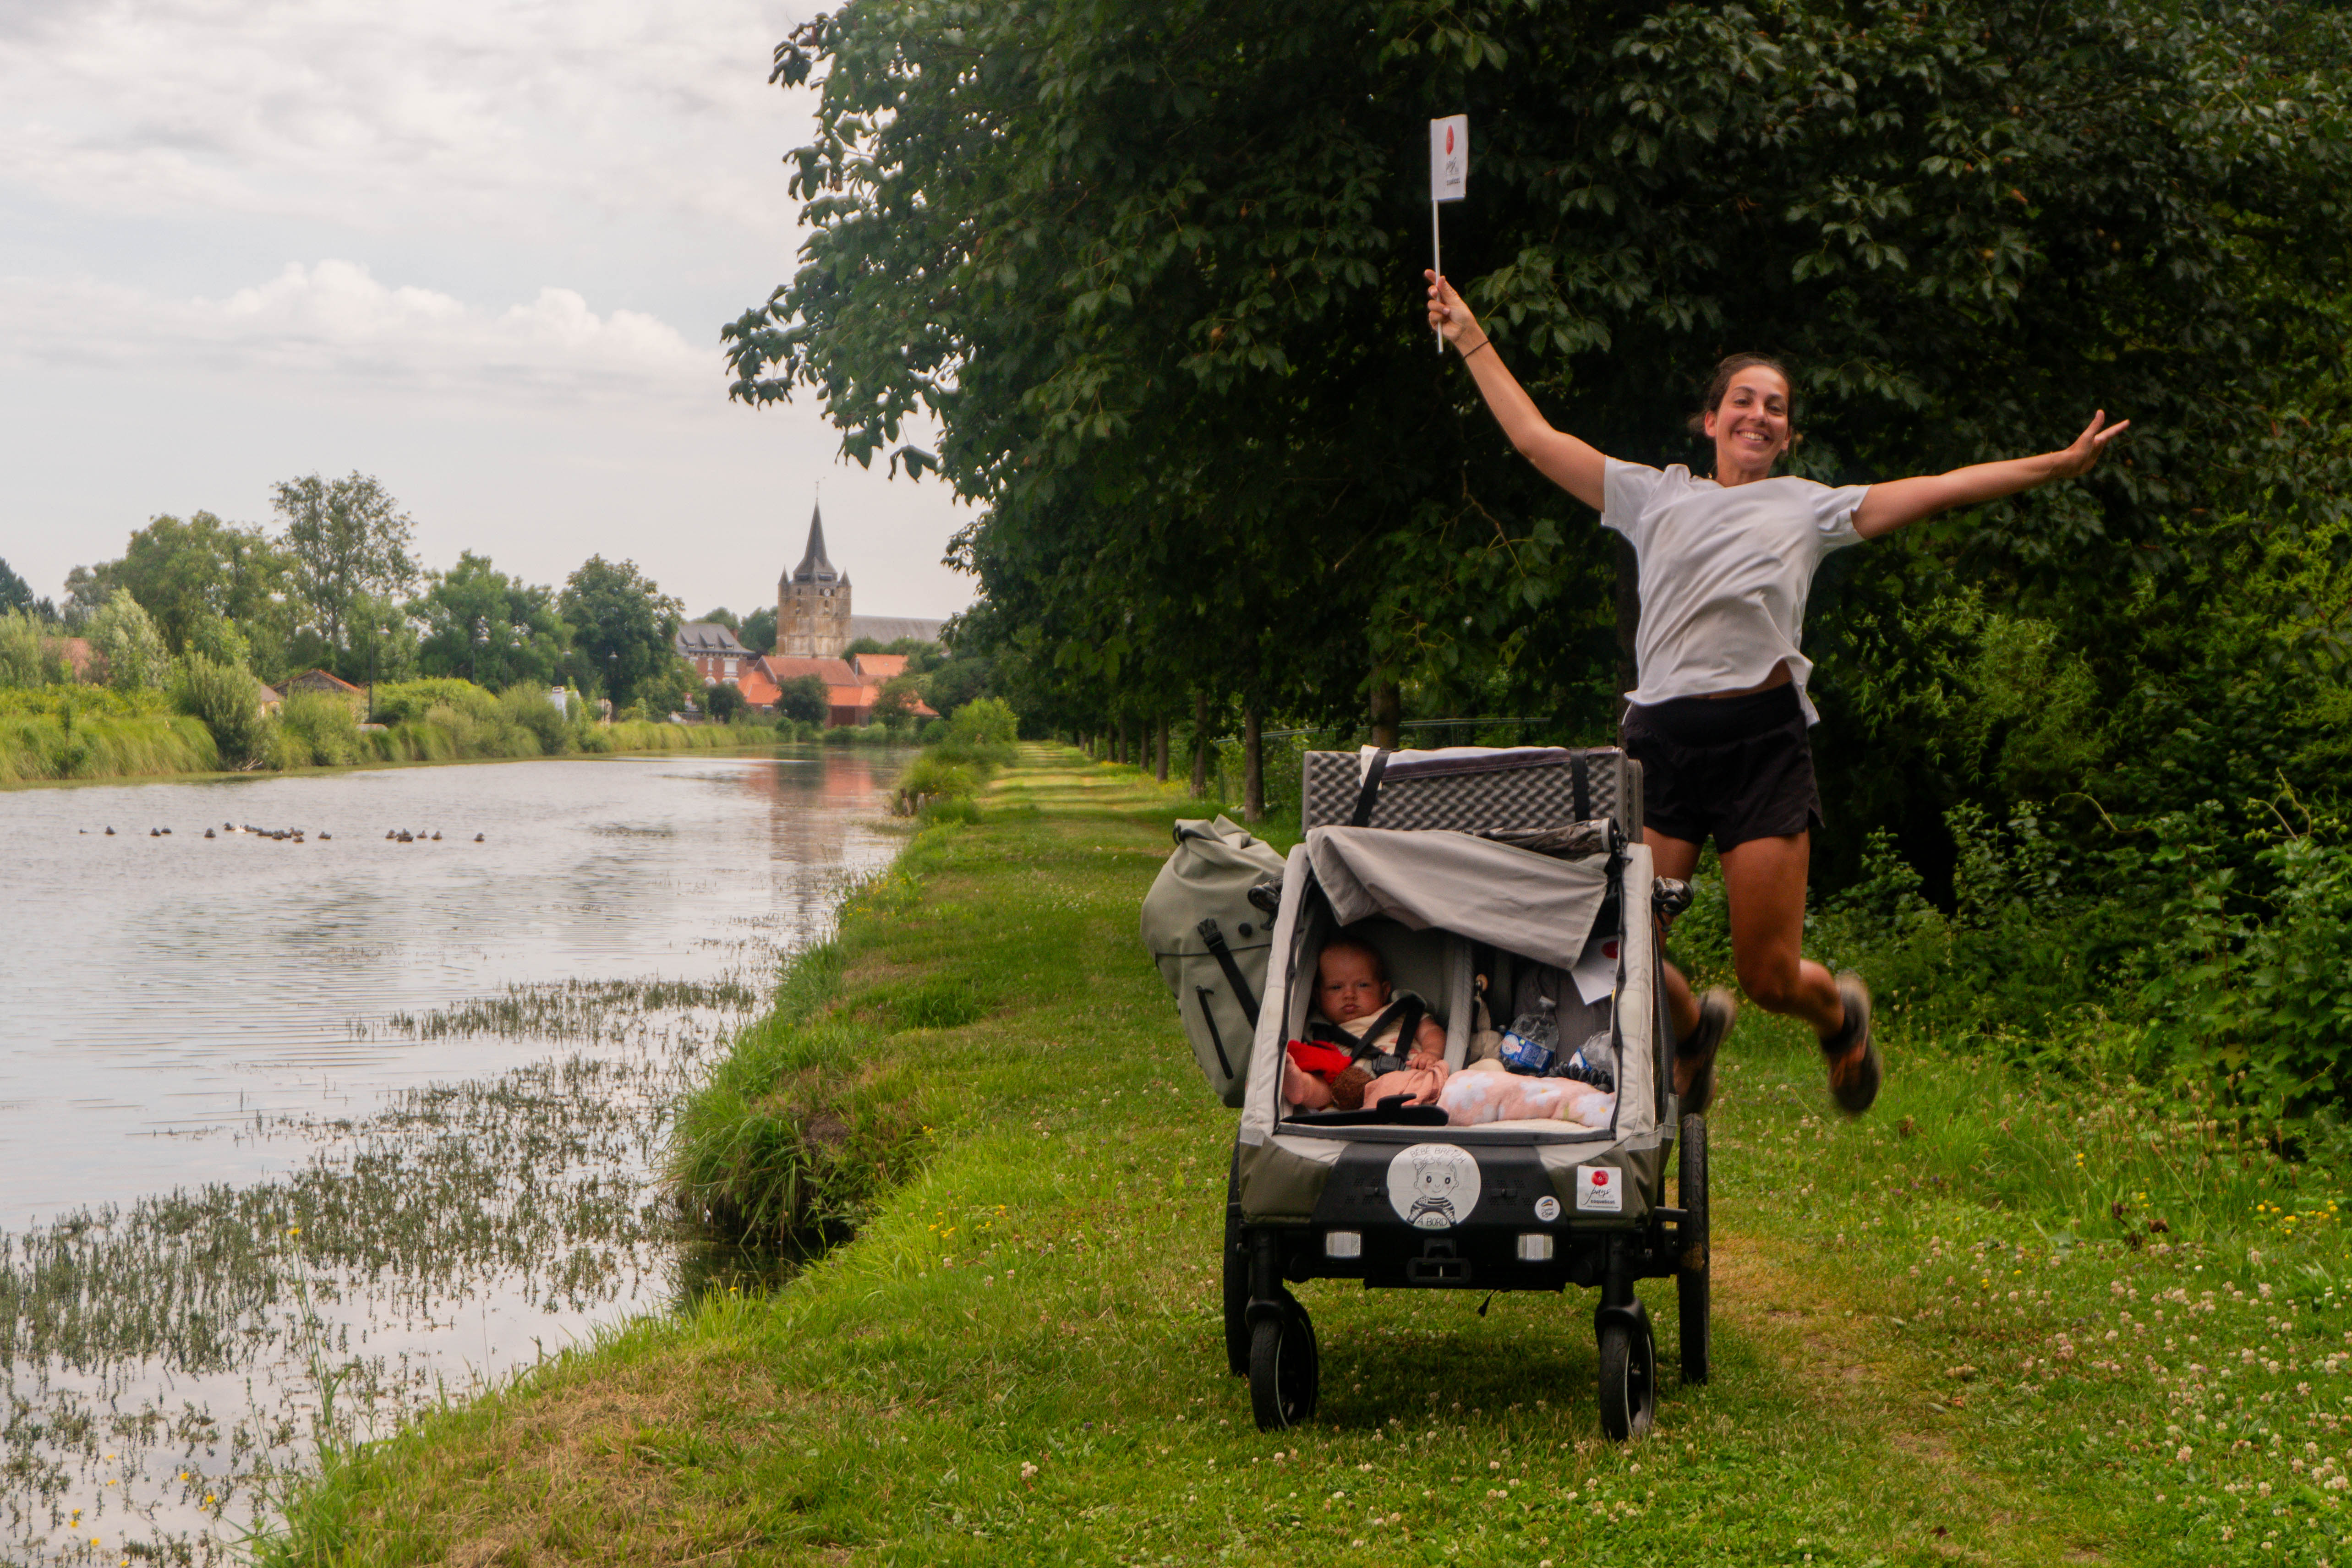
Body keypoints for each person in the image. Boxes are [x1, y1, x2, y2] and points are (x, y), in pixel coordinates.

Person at [1423, 270, 2128, 1118]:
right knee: (1619, 949)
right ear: (1710, 419)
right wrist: (1469, 336)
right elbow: (1536, 440)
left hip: (1760, 742)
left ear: (1786, 435)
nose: (1760, 415)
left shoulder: (1809, 509)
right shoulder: (1654, 497)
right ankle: (1689, 1032)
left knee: (1765, 974)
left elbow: (1939, 488)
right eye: (1744, 401)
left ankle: (1837, 1015)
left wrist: (2053, 465)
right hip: (1660, 745)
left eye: (1776, 407)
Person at [1282, 938, 1448, 1111]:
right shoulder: (1321, 1032)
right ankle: (1302, 1088)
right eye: (1336, 987)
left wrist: (1432, 1052)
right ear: (1318, 997)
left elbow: (1432, 1031)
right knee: (1322, 1080)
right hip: (1351, 1095)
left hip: (1409, 1079)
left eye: (1362, 985)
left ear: (1384, 991)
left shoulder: (1401, 1014)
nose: (1349, 995)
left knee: (1436, 1077)